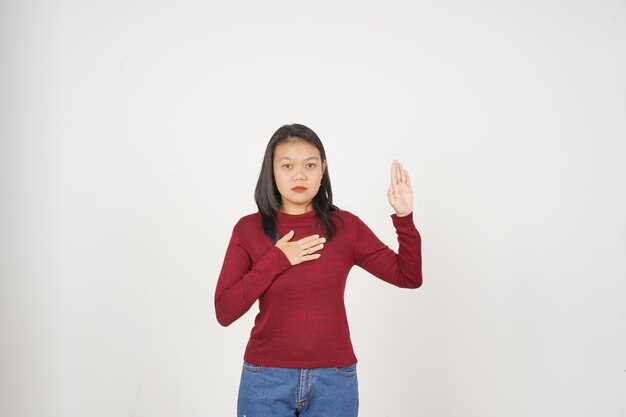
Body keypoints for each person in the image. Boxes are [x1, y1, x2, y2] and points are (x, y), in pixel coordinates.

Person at [214, 123, 423, 417]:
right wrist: (278, 259)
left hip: (334, 380)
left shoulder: (345, 227)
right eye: (287, 165)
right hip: (265, 378)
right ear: (271, 170)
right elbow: (225, 310)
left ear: (323, 168)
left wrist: (404, 216)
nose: (300, 174)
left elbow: (408, 277)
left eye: (310, 165)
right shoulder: (248, 230)